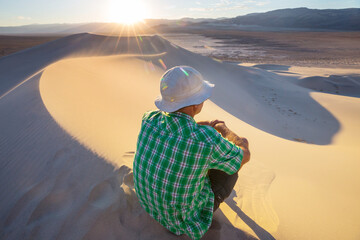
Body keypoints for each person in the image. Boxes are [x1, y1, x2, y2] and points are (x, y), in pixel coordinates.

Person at [133, 66, 250, 240]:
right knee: (233, 162)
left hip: (148, 203)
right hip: (182, 220)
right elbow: (245, 155)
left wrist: (206, 125)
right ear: (196, 104)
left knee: (200, 158)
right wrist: (223, 129)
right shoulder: (205, 140)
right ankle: (213, 200)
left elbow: (178, 127)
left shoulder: (149, 118)